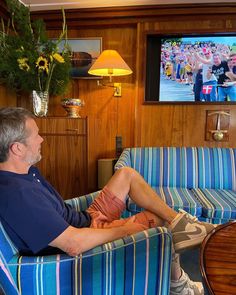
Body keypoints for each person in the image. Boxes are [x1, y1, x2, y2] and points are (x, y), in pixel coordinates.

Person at [0, 108, 216, 294]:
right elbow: (73, 244)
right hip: (82, 239)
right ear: (17, 148)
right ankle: (179, 284)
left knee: (127, 174)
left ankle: (181, 223)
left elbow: (57, 211)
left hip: (85, 220)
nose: (41, 139)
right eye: (36, 135)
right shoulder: (17, 195)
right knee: (157, 223)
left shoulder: (27, 173)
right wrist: (126, 228)